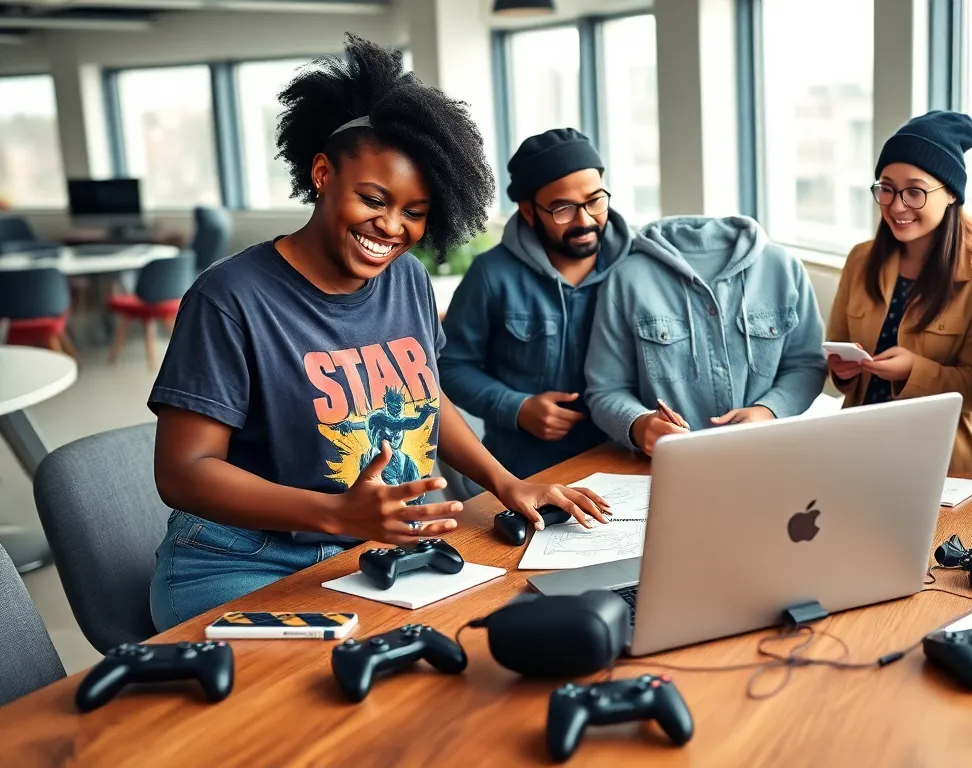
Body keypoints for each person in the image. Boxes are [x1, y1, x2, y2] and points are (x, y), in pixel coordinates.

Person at [146, 36, 609, 632]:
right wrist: (338, 513)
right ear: (321, 174)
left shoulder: (407, 279)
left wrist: (505, 484)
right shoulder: (229, 298)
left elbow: (423, 399)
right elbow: (183, 472)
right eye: (373, 199)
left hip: (373, 549)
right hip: (243, 562)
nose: (390, 227)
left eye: (415, 212)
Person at [438, 129, 632, 487]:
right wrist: (516, 407)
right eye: (563, 208)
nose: (585, 220)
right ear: (528, 212)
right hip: (521, 477)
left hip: (624, 465)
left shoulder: (639, 268)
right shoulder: (490, 275)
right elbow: (449, 366)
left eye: (595, 200)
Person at [827, 110, 972, 475]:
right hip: (858, 449)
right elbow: (837, 357)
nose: (896, 204)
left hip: (942, 464)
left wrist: (913, 371)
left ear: (951, 193)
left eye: (915, 192)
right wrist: (842, 370)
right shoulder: (860, 260)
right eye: (886, 188)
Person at [585, 215, 827, 456]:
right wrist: (639, 425)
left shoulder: (784, 267)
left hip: (772, 456)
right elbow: (606, 389)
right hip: (668, 468)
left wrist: (768, 411)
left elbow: (806, 364)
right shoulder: (626, 279)